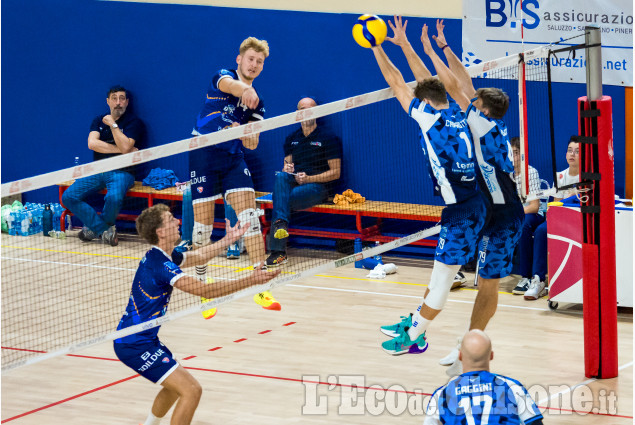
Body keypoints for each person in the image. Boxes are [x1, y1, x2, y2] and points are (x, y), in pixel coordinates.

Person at [370, 17, 489, 356]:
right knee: (438, 275)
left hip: (465, 213)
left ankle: (415, 337)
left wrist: (376, 46)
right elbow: (425, 81)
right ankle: (415, 325)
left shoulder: (428, 117)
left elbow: (396, 82)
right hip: (466, 206)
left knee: (442, 282)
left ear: (423, 101)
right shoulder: (456, 111)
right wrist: (406, 44)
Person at [420, 20, 525, 374]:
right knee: (448, 272)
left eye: (473, 101)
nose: (468, 99)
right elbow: (464, 84)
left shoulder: (483, 125)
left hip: (505, 215)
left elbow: (456, 85)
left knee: (489, 281)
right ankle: (419, 328)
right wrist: (443, 47)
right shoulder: (487, 120)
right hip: (483, 208)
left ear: (480, 109)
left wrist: (434, 52)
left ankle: (469, 342)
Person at [113, 203, 280, 425]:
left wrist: (229, 239)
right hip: (134, 343)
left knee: (174, 389)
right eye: (171, 219)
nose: (177, 221)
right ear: (161, 232)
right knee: (191, 390)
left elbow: (199, 255)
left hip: (144, 339)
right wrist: (252, 280)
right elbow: (205, 290)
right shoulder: (161, 265)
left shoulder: (164, 255)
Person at [188, 36, 280, 311]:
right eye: (250, 59)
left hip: (232, 158)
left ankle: (261, 285)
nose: (254, 64)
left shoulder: (258, 104)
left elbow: (252, 142)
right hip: (203, 155)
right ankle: (204, 288)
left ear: (263, 67)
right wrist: (244, 90)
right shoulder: (223, 76)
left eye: (259, 62)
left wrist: (245, 135)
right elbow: (230, 85)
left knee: (250, 218)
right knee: (203, 228)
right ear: (239, 59)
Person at [62, 85, 144, 246]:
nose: (118, 102)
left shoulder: (134, 122)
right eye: (114, 98)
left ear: (127, 102)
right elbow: (92, 144)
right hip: (98, 170)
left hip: (123, 172)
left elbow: (127, 147)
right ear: (108, 101)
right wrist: (122, 150)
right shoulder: (98, 120)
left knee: (113, 197)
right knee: (68, 197)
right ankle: (103, 230)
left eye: (122, 98)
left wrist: (113, 124)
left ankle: (94, 229)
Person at [266, 97, 342, 266]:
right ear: (297, 114)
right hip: (294, 183)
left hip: (317, 188)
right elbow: (286, 165)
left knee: (280, 200)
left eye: (310, 109)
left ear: (317, 112)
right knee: (280, 176)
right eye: (302, 109)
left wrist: (309, 179)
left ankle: (278, 250)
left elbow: (336, 173)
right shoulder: (291, 138)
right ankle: (280, 226)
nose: (306, 112)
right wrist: (288, 170)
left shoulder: (328, 138)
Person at [423, 330, 544, 425]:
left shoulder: (442, 394)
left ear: (459, 356)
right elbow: (534, 423)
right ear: (491, 356)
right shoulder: (513, 387)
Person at [521, 137, 580, 301]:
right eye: (569, 150)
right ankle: (538, 280)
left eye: (577, 151)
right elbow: (553, 206)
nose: (572, 154)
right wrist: (565, 200)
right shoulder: (560, 176)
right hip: (560, 219)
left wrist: (574, 198)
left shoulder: (588, 178)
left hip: (578, 221)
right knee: (541, 230)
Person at [509, 137, 548, 295]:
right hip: (512, 217)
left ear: (523, 155)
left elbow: (534, 206)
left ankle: (526, 277)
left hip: (532, 216)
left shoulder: (530, 172)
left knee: (523, 225)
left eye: (516, 153)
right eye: (510, 153)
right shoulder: (506, 175)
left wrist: (514, 213)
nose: (513, 156)